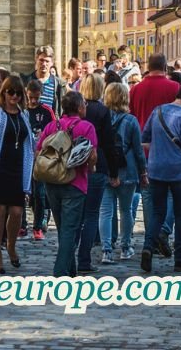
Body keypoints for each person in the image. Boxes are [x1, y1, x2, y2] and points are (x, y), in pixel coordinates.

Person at [141, 79, 181, 272]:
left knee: (157, 212)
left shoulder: (157, 111)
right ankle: (180, 258)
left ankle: (148, 247)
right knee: (180, 213)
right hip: (179, 171)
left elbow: (145, 138)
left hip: (156, 168)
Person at [35, 89, 97, 278]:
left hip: (52, 182)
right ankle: (61, 272)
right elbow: (92, 155)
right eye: (84, 104)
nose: (86, 106)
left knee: (64, 229)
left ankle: (71, 272)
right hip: (75, 182)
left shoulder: (52, 126)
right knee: (70, 230)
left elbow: (39, 151)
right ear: (79, 107)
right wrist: (91, 168)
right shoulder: (86, 127)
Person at [0, 73, 34, 271]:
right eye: (11, 92)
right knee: (0, 210)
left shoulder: (23, 114)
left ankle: (11, 245)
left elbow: (28, 141)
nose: (14, 96)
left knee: (17, 212)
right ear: (4, 92)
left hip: (18, 167)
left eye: (18, 93)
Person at [77, 71, 122, 271]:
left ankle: (70, 255)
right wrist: (114, 172)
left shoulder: (77, 109)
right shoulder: (103, 111)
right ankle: (84, 259)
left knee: (77, 214)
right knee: (92, 214)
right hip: (98, 165)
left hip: (76, 166)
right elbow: (109, 145)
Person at [100, 80, 145, 263]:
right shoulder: (131, 120)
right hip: (128, 170)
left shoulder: (102, 119)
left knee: (105, 212)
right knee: (126, 211)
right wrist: (143, 172)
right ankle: (125, 247)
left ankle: (106, 250)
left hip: (106, 170)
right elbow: (138, 150)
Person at [24, 80, 51, 241]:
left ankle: (38, 226)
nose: (33, 101)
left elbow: (55, 131)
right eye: (31, 97)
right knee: (23, 191)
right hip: (24, 156)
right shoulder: (22, 110)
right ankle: (21, 225)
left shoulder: (46, 111)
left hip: (40, 158)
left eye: (36, 97)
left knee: (40, 193)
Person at [130, 52, 179, 130]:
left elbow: (131, 116)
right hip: (167, 134)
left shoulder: (134, 90)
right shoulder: (175, 87)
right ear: (165, 67)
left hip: (142, 134)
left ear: (148, 67)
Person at [31, 49, 63, 117]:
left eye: (47, 61)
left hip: (50, 122)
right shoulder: (28, 81)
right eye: (41, 60)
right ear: (36, 60)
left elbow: (60, 108)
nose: (44, 64)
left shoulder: (57, 84)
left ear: (52, 63)